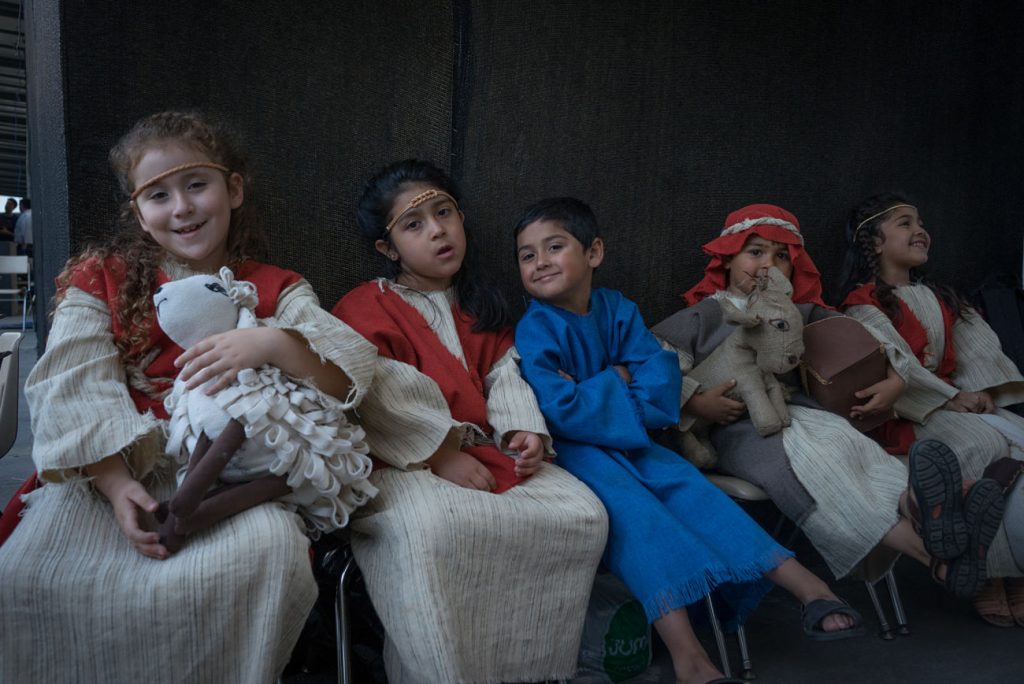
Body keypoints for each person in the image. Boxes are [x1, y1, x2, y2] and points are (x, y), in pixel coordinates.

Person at [0, 111, 379, 682]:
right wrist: (116, 481)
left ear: (233, 189)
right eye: (158, 194)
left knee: (266, 561)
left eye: (196, 185)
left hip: (236, 474)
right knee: (30, 575)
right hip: (112, 463)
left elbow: (349, 373)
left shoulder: (277, 287)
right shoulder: (100, 278)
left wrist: (274, 343)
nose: (181, 208)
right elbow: (72, 382)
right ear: (138, 212)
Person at [513, 197, 867, 684]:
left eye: (554, 246)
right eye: (527, 255)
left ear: (593, 252)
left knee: (696, 492)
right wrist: (618, 378)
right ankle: (690, 659)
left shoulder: (618, 309)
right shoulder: (535, 327)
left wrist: (603, 385)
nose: (540, 262)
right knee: (638, 519)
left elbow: (658, 374)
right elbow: (559, 408)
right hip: (578, 454)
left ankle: (810, 586)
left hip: (634, 440)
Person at [331, 160, 608, 684]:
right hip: (404, 460)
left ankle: (532, 671)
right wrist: (439, 453)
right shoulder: (365, 307)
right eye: (414, 225)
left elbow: (506, 376)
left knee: (581, 513)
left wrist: (522, 431)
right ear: (388, 250)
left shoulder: (485, 305)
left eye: (444, 213)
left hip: (487, 450)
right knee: (436, 531)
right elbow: (372, 394)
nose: (437, 230)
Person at [651, 203, 1000, 600]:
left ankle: (924, 510)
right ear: (728, 258)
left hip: (805, 412)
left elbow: (868, 337)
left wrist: (896, 379)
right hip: (742, 431)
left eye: (781, 256)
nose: (768, 264)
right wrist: (695, 403)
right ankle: (935, 551)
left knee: (852, 448)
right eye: (755, 252)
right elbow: (653, 369)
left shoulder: (800, 312)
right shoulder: (703, 316)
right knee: (822, 468)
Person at [837, 192, 1024, 625]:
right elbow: (892, 358)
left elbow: (975, 350)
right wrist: (945, 397)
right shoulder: (865, 303)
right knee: (981, 443)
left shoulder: (942, 298)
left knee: (1014, 442)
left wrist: (983, 393)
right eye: (905, 223)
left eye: (921, 222)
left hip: (952, 404)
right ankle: (988, 574)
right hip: (909, 414)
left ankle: (1018, 568)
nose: (920, 230)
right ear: (875, 242)